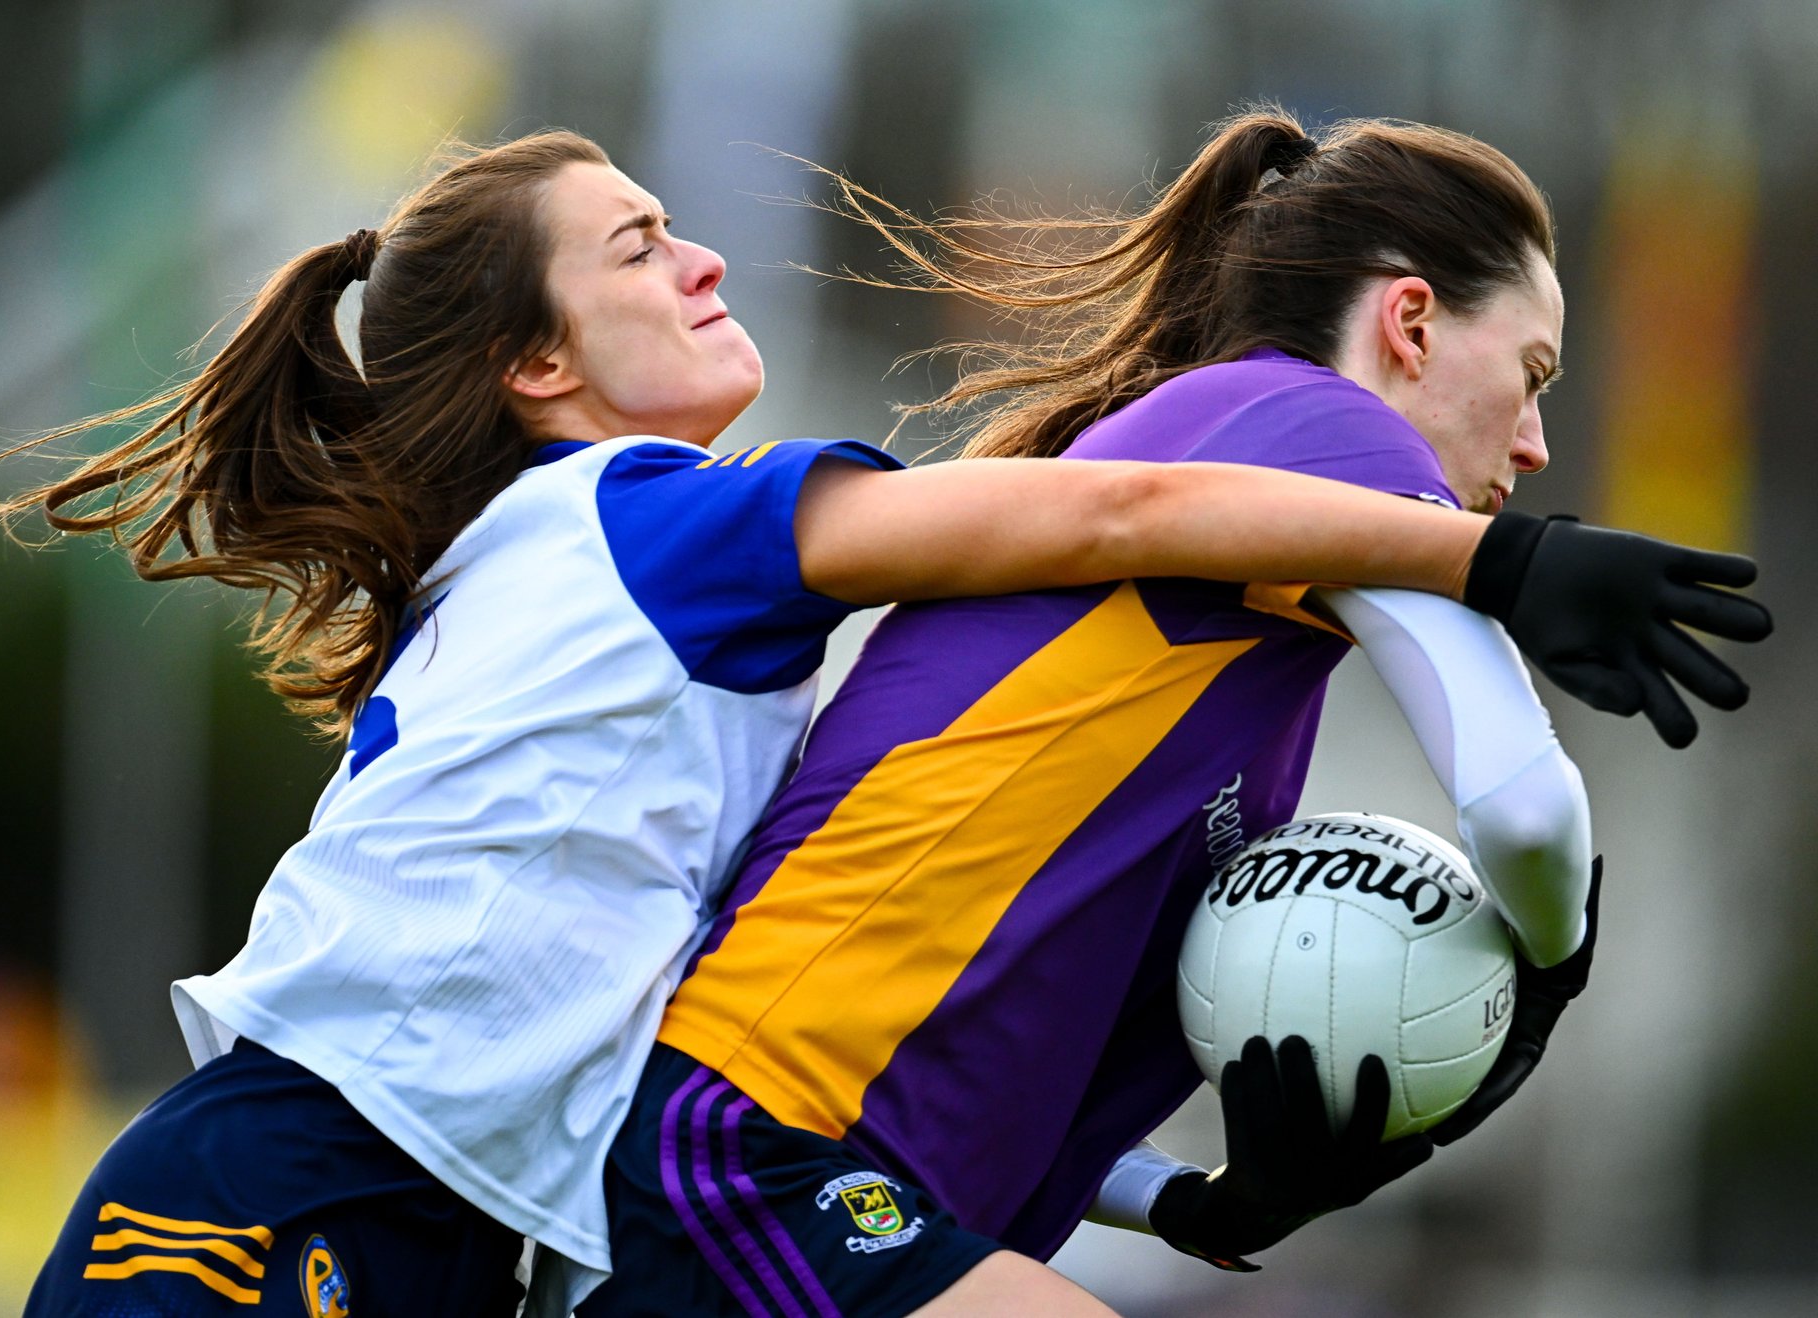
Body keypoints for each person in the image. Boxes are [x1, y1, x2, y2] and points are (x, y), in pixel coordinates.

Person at [0, 127, 1764, 1316]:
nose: (703, 258)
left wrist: (1167, 1201)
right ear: (538, 368)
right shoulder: (670, 520)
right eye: (640, 246)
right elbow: (1107, 516)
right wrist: (1493, 564)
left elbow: (789, 967)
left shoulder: (608, 591)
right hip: (298, 1179)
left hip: (473, 1222)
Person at [582, 110, 1765, 1318]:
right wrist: (1550, 981)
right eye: (1533, 376)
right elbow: (1522, 804)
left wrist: (1183, 1201)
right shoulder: (1315, 425)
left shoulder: (1259, 638)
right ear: (1410, 323)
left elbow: (1012, 1034)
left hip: (837, 1183)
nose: (1537, 443)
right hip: (757, 1149)